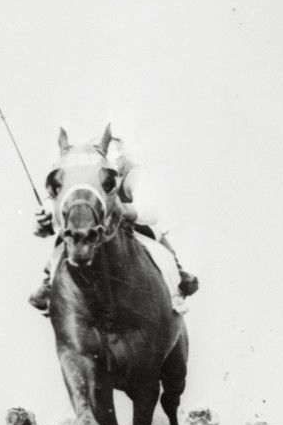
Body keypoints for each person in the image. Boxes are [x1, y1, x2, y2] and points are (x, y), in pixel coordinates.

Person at [28, 133, 199, 313]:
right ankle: (49, 285)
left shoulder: (134, 172)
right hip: (92, 226)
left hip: (127, 225)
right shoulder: (80, 175)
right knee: (65, 241)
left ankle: (176, 285)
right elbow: (53, 204)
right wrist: (43, 218)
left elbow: (150, 210)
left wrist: (124, 210)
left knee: (156, 239)